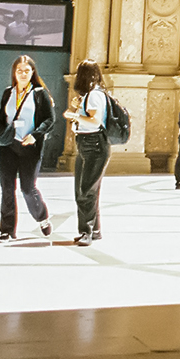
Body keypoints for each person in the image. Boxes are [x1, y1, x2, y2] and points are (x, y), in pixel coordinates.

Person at [0, 54, 54, 241]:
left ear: (32, 73)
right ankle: (6, 230)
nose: (23, 74)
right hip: (9, 146)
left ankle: (41, 216)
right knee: (6, 188)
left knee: (28, 188)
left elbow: (49, 120)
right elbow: (2, 121)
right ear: (14, 72)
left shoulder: (39, 93)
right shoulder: (8, 93)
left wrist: (35, 136)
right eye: (19, 71)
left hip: (30, 147)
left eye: (27, 71)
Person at [62, 59, 109, 244]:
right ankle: (94, 230)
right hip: (88, 143)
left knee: (85, 191)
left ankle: (86, 233)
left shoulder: (95, 95)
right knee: (87, 190)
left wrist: (72, 114)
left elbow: (94, 121)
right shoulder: (92, 95)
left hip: (94, 144)